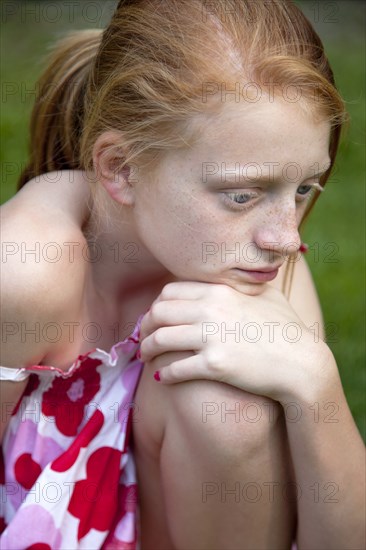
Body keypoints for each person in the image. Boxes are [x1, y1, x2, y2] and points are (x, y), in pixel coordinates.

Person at [0, 1, 364, 548]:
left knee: (228, 406)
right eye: (242, 194)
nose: (288, 238)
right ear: (121, 167)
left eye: (304, 187)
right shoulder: (26, 270)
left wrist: (317, 385)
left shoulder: (249, 255)